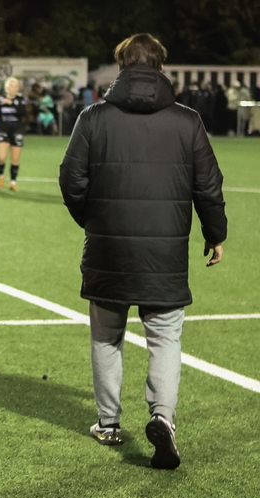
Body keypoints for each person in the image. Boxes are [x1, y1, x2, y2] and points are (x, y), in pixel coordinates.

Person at [59, 33, 227, 469]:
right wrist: (216, 233)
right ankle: (162, 418)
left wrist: (94, 221)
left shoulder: (93, 117)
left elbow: (71, 181)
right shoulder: (188, 120)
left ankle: (109, 423)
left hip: (108, 250)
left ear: (121, 66)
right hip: (165, 255)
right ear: (161, 67)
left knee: (106, 335)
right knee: (165, 338)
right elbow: (208, 186)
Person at [0, 76, 27, 191]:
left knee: (14, 158)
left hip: (16, 130)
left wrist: (12, 103)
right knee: (1, 158)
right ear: (6, 87)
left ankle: (13, 182)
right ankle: (1, 176)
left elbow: (23, 113)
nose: (12, 88)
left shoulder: (20, 99)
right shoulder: (0, 99)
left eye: (15, 86)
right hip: (3, 130)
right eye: (10, 86)